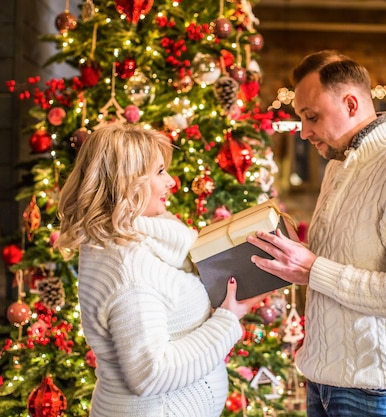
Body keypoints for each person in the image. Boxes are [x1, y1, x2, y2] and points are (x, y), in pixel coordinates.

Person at [247, 50, 386, 416]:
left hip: (383, 393)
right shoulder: (337, 168)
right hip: (324, 381)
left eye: (311, 117)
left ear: (352, 103)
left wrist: (314, 269)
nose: (305, 132)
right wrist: (298, 257)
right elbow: (333, 265)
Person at [56, 124, 263, 417]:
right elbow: (150, 374)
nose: (172, 182)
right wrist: (228, 320)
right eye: (160, 172)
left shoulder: (141, 239)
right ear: (128, 182)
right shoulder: (127, 268)